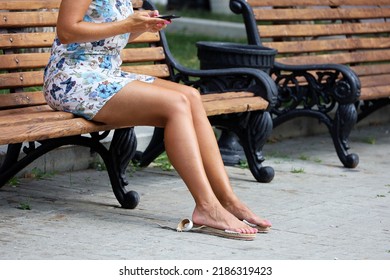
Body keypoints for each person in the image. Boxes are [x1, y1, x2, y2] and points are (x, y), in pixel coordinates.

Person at [43, 0, 271, 240]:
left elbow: (107, 36)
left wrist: (140, 26)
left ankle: (228, 201)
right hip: (73, 79)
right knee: (176, 105)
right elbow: (67, 31)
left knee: (191, 96)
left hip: (106, 74)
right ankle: (206, 207)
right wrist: (127, 23)